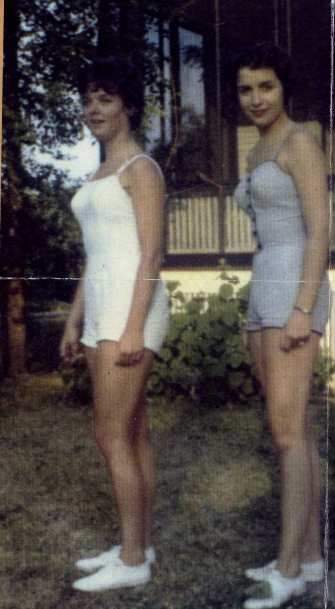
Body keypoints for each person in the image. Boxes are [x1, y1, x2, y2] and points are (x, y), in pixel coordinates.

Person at [60, 56, 169, 592]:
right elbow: (94, 255)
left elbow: (151, 257)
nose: (93, 109)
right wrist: (74, 320)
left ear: (128, 106)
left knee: (109, 435)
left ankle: (132, 563)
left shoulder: (141, 170)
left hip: (132, 308)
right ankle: (137, 545)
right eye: (87, 100)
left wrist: (131, 328)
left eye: (104, 98)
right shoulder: (99, 173)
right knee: (133, 433)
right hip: (102, 308)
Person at [230, 42, 331, 609]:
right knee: (291, 431)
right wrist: (253, 314)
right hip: (266, 284)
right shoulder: (255, 152)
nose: (255, 99)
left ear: (283, 88)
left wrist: (301, 307)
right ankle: (309, 554)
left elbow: (319, 232)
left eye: (265, 87)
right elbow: (262, 237)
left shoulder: (300, 143)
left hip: (296, 284)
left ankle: (290, 568)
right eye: (246, 89)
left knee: (288, 432)